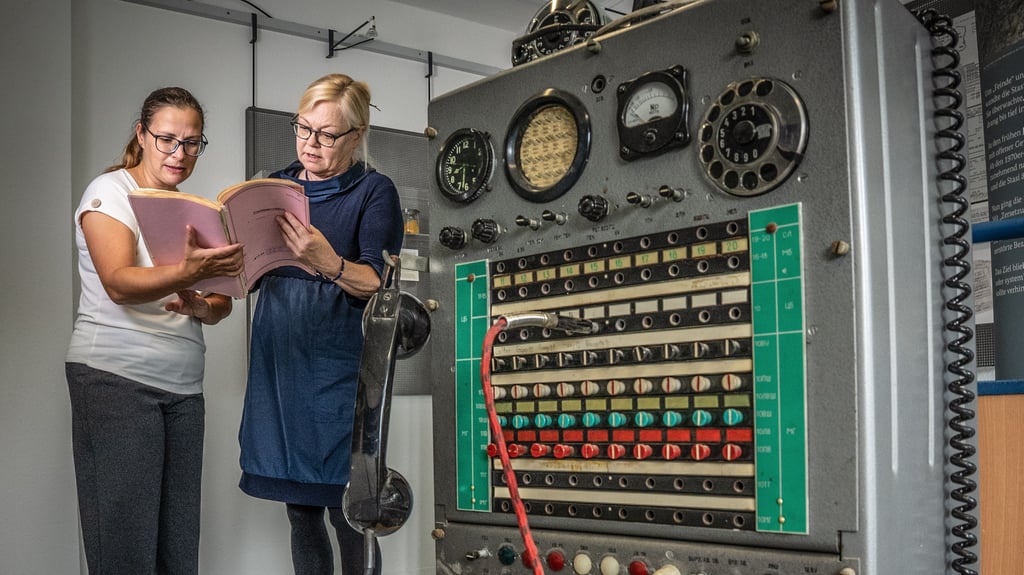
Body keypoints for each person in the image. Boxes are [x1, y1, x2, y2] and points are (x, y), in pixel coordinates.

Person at [66, 87, 244, 574]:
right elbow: (119, 284)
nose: (178, 153)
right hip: (115, 382)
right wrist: (186, 273)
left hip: (184, 391)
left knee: (178, 553)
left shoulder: (195, 210)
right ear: (141, 135)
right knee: (125, 553)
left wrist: (202, 306)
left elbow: (221, 302)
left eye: (191, 143)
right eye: (167, 139)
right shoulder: (110, 193)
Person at [237, 73, 404, 575]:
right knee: (300, 512)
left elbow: (376, 283)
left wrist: (326, 261)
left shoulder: (374, 190)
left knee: (350, 511)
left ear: (356, 135)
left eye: (327, 135)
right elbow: (252, 273)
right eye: (303, 128)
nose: (310, 143)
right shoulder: (274, 186)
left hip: (340, 369)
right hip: (280, 366)